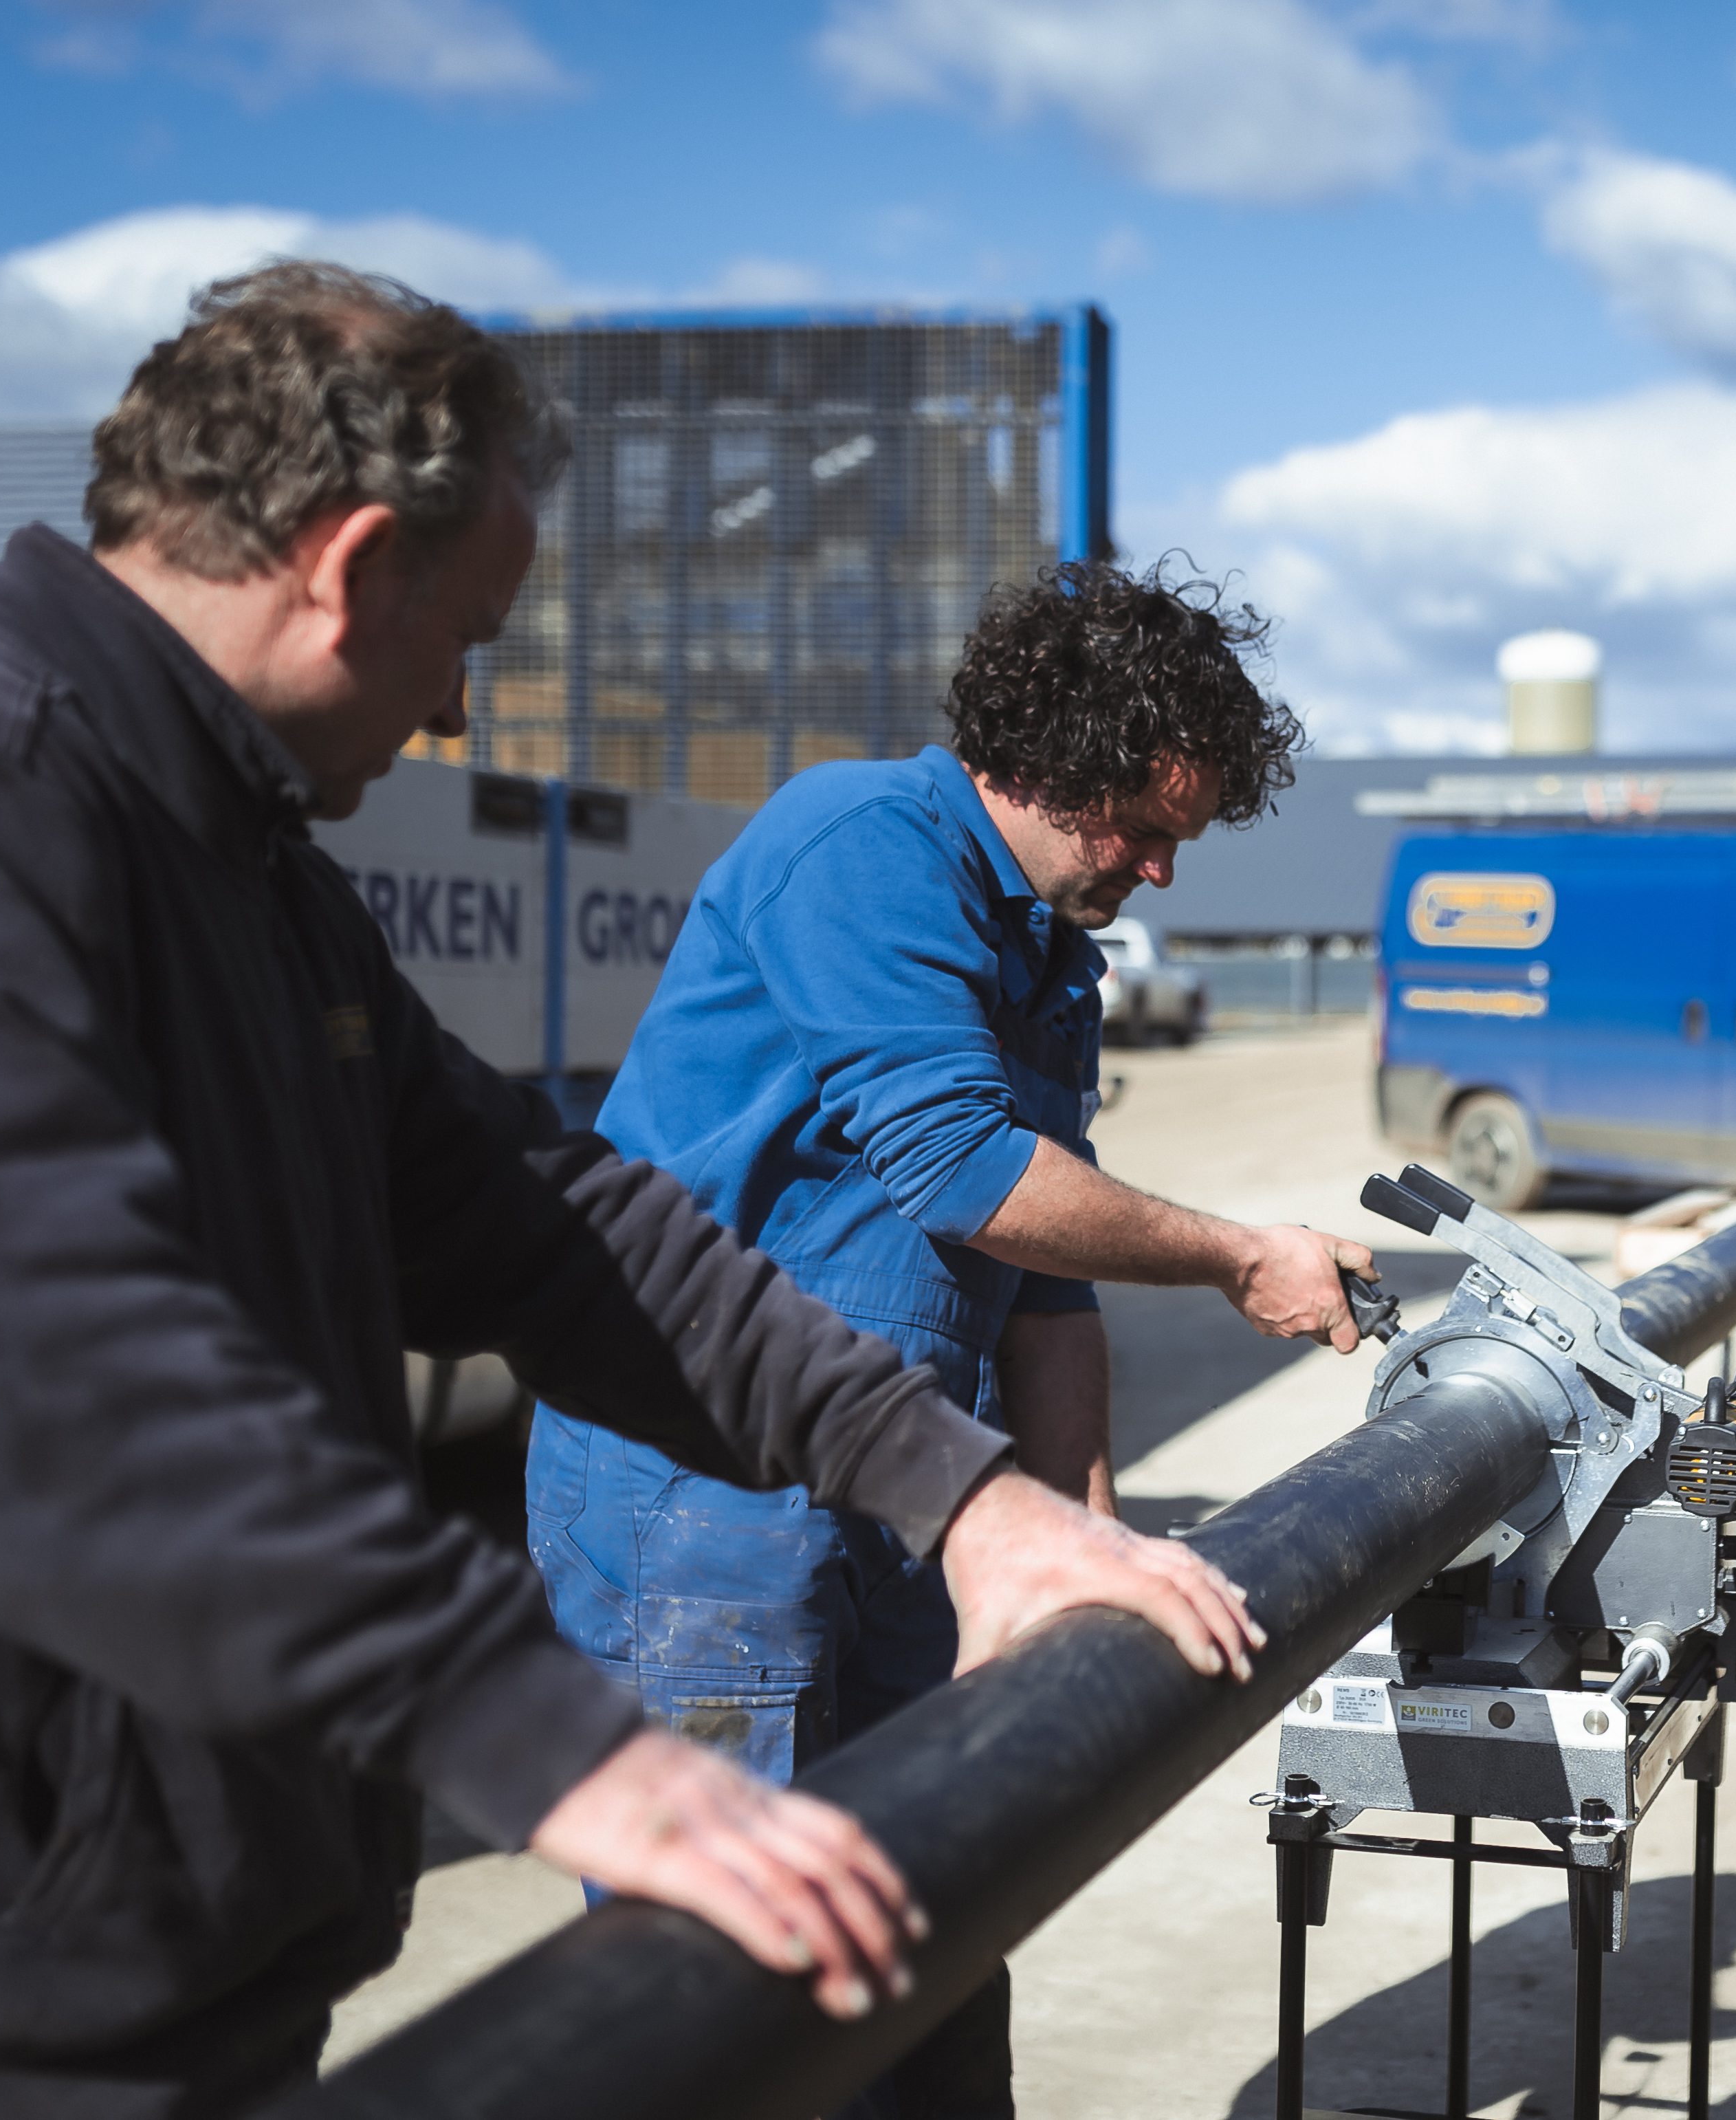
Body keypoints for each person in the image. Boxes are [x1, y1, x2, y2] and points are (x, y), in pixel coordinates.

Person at [0, 263, 1260, 2120]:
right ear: (352, 562)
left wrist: (970, 1502)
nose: (464, 713)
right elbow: (70, 1381)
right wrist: (561, 1741)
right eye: (467, 630)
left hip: (200, 1908)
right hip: (3, 1971)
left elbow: (564, 1226)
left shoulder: (244, 863)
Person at [523, 557, 1368, 2119]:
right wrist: (1241, 1254)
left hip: (907, 1482)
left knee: (936, 1909)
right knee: (747, 1964)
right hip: (704, 1491)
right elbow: (965, 1169)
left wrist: (1091, 1538)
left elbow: (1044, 1274)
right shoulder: (862, 847)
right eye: (1151, 827)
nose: (1167, 871)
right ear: (1054, 761)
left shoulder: (1049, 951)